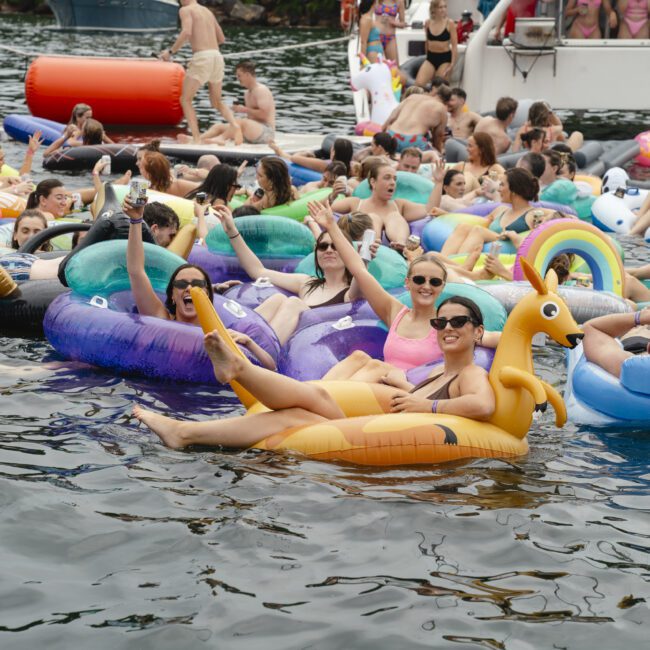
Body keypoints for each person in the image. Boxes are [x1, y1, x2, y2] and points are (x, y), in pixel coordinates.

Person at [132, 295, 496, 449]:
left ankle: (240, 369)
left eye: (459, 321)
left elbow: (483, 406)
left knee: (319, 395)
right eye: (441, 320)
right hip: (371, 427)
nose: (448, 326)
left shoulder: (470, 373)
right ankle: (185, 433)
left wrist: (427, 408)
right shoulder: (436, 376)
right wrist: (404, 385)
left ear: (477, 332)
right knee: (295, 415)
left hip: (377, 439)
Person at [124, 196, 275, 369]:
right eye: (181, 284)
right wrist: (136, 220)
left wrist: (249, 343)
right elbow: (136, 271)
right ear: (172, 296)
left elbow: (270, 368)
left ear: (208, 295)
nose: (189, 288)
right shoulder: (161, 319)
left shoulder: (219, 334)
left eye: (196, 284)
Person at [212, 204, 363, 344]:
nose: (329, 250)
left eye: (335, 246)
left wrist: (364, 258)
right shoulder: (306, 283)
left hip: (307, 347)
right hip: (280, 339)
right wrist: (232, 231)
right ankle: (229, 337)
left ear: (346, 252)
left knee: (294, 303)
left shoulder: (351, 293)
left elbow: (360, 274)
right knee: (277, 298)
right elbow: (258, 271)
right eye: (323, 246)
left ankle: (258, 348)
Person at [160, 0, 239, 144]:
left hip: (203, 58)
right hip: (217, 56)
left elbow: (186, 32)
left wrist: (170, 52)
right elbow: (221, 38)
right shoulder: (207, 11)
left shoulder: (186, 10)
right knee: (216, 102)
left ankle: (196, 139)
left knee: (186, 99)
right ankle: (234, 125)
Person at [441, 168, 550, 255]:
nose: (498, 189)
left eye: (502, 185)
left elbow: (563, 216)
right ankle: (443, 263)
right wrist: (444, 214)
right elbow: (477, 221)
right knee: (463, 227)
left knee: (479, 231)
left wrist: (546, 220)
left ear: (514, 189)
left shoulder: (533, 214)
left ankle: (458, 266)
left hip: (508, 249)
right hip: (493, 243)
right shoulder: (500, 210)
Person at [330, 163, 442, 248]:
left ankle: (401, 245)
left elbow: (430, 209)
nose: (393, 182)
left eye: (394, 179)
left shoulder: (399, 205)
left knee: (394, 215)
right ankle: (373, 244)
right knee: (372, 218)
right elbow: (325, 210)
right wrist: (332, 195)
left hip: (394, 253)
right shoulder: (355, 203)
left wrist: (438, 182)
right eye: (387, 177)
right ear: (373, 182)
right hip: (364, 250)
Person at [189, 60, 276, 146]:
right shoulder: (247, 93)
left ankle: (221, 139)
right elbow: (251, 115)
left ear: (247, 75)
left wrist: (244, 109)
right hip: (252, 130)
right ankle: (197, 139)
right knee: (219, 126)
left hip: (266, 132)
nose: (237, 78)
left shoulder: (261, 90)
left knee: (239, 122)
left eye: (239, 76)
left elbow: (265, 114)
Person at [582, 309, 649, 379]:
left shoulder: (634, 369)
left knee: (639, 330)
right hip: (637, 345)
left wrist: (639, 317)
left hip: (634, 343)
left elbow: (589, 329)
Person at [382, 92, 448, 153]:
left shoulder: (412, 97)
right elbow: (438, 136)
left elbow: (392, 117)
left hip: (392, 135)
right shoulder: (442, 108)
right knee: (434, 155)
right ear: (446, 103)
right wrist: (438, 151)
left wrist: (383, 132)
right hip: (414, 141)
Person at [416, 0, 458, 87]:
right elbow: (427, 42)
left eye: (445, 7)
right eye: (440, 7)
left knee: (439, 87)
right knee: (418, 84)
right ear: (434, 9)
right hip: (431, 58)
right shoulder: (427, 23)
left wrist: (452, 64)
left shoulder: (450, 23)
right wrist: (427, 58)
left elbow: (454, 46)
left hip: (444, 59)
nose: (444, 9)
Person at [271, 138, 354, 176]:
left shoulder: (325, 165)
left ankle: (278, 151)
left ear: (334, 152)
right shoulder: (351, 167)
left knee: (290, 160)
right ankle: (279, 151)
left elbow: (294, 158)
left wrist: (306, 153)